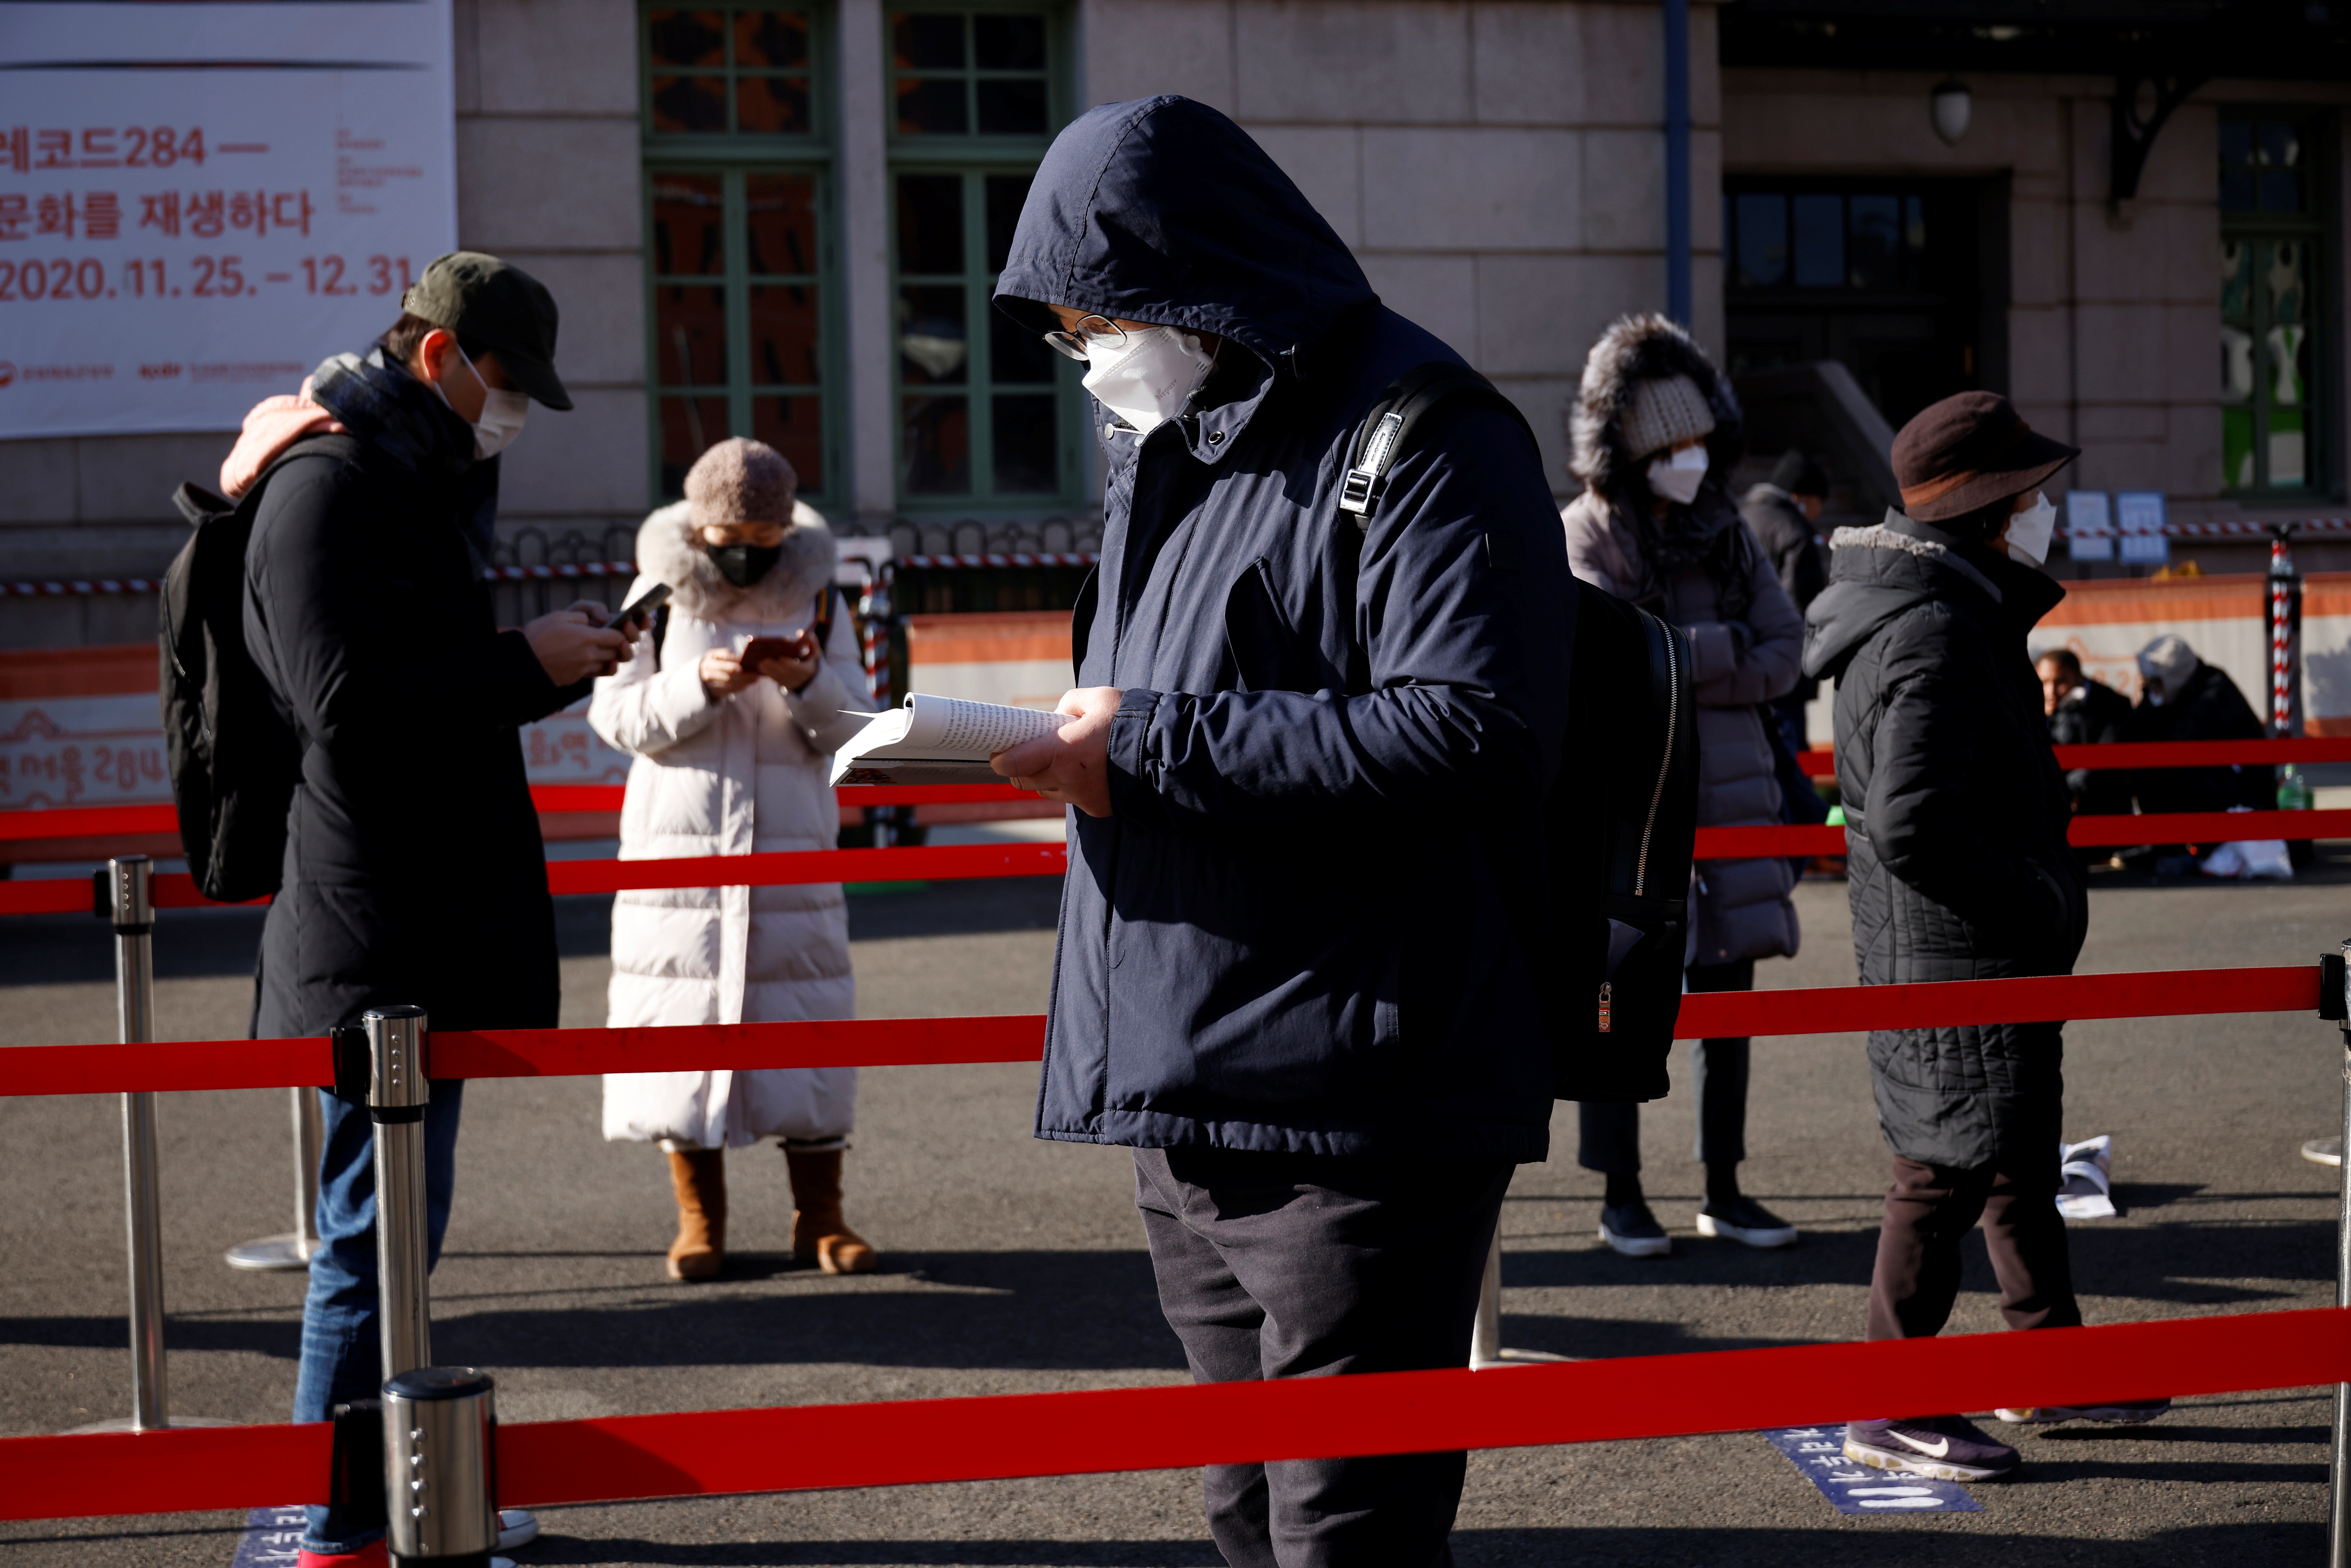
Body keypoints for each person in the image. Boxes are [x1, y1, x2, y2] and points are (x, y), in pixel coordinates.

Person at [986, 96, 1573, 1568]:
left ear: (1190, 280)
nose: (1085, 354)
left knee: (1346, 1532)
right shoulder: (1171, 440)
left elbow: (1470, 729)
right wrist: (1095, 741)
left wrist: (1138, 744)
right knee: (1244, 1513)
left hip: (1358, 1102)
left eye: (1093, 318)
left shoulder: (1429, 433)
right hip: (1184, 1078)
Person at [235, 252, 636, 1568]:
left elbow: (418, 681)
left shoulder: (407, 476)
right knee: (368, 1236)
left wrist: (539, 664)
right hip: (370, 926)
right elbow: (347, 711)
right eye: (503, 383)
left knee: (393, 1230)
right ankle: (331, 1507)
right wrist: (526, 660)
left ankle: (371, 1498)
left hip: (411, 915)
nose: (507, 414)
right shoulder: (330, 485)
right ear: (436, 356)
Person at [1800, 390, 2167, 1484]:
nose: (2046, 509)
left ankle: (2046, 1352)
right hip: (1958, 948)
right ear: (1992, 507)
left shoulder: (1945, 602)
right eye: (2034, 493)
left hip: (1967, 948)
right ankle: (1890, 1401)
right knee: (1941, 1167)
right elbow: (1911, 817)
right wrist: (2032, 898)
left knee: (2010, 1150)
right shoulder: (1935, 624)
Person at [590, 437, 881, 1281]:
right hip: (676, 857)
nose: (746, 553)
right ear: (699, 525)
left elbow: (856, 731)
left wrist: (804, 682)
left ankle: (821, 1218)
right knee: (682, 1034)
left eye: (765, 537)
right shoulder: (653, 595)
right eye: (730, 535)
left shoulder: (821, 599)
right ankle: (698, 1223)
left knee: (807, 1026)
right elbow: (615, 720)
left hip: (791, 851)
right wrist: (696, 687)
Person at [1561, 314, 1805, 1258]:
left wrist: (1679, 655)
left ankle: (1725, 1187)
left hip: (1733, 801)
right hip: (1633, 802)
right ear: (1628, 448)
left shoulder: (1733, 534)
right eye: (1671, 446)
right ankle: (1620, 1193)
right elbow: (1600, 664)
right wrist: (1719, 649)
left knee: (1729, 1007)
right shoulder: (1582, 530)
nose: (1690, 462)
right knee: (1617, 1004)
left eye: (1701, 441)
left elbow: (1788, 654)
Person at [1742, 449, 1833, 799]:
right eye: (1818, 503)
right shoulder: (1795, 530)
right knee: (1793, 763)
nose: (1820, 512)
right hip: (1785, 673)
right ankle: (1805, 853)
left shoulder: (1741, 519)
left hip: (1743, 665)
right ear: (1800, 497)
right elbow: (1802, 609)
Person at [2123, 633, 2269, 816]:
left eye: (2156, 681)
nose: (2151, 688)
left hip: (2241, 795)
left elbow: (2185, 739)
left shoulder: (2215, 689)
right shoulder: (2170, 692)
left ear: (2173, 677)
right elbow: (2134, 729)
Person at [2035, 647, 2131, 818]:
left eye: (2060, 682)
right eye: (2044, 682)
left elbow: (2107, 754)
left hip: (2103, 806)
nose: (2051, 691)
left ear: (2078, 677)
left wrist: (2070, 790)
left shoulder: (2111, 705)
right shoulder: (2034, 706)